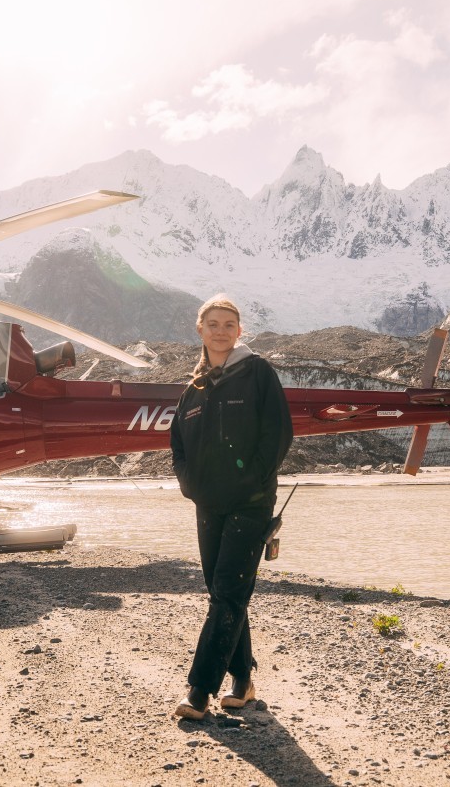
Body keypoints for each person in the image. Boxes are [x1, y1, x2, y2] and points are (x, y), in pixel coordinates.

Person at [169, 296, 293, 720]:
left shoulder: (258, 372)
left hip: (250, 501)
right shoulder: (193, 388)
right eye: (213, 324)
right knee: (225, 592)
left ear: (240, 332)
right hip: (208, 503)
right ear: (200, 330)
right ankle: (243, 680)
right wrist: (191, 485)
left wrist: (251, 480)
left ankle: (199, 690)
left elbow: (278, 433)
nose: (221, 331)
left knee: (227, 590)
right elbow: (178, 445)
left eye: (229, 324)